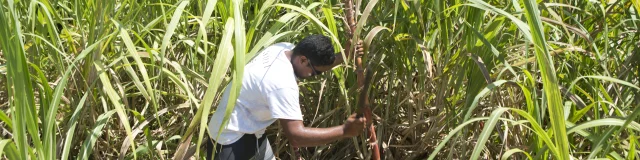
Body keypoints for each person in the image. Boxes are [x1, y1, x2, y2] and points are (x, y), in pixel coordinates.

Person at [206, 35, 366, 160]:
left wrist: (345, 55)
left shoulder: (284, 49)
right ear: (303, 60)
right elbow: (296, 136)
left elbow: (314, 65)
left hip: (253, 132)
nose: (313, 76)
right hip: (229, 140)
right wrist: (344, 130)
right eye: (315, 72)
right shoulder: (281, 83)